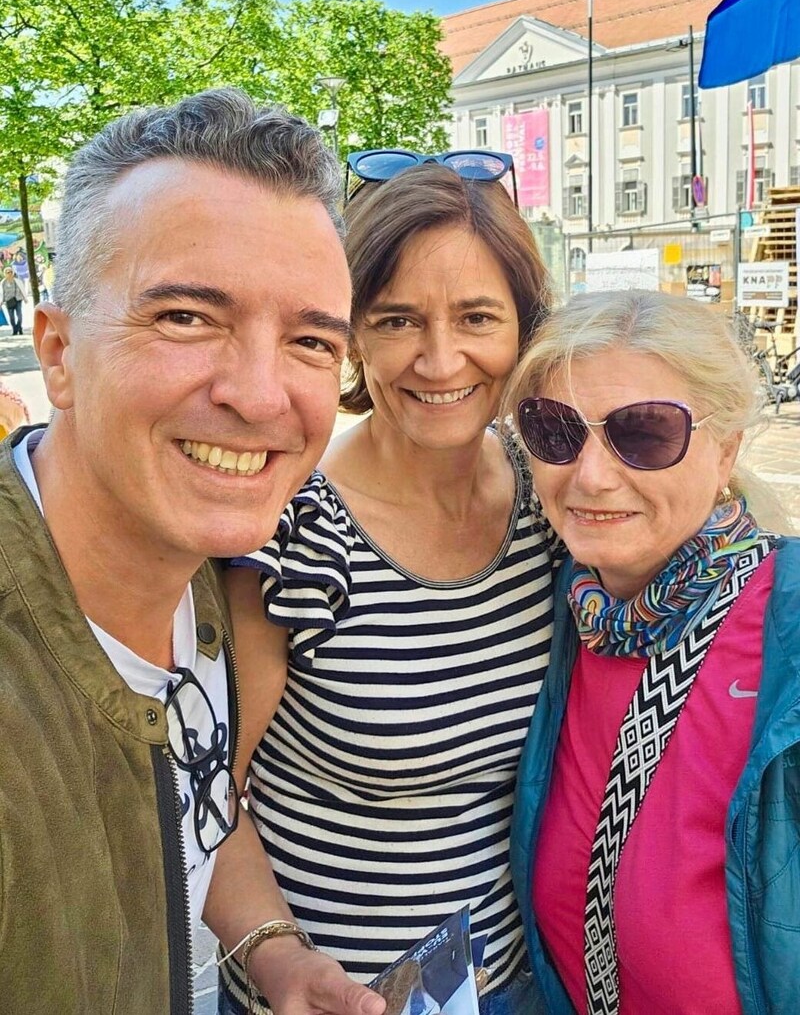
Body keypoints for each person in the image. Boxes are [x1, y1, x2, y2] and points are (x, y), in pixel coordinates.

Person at [0, 88, 357, 1012]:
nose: (260, 394)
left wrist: (276, 950)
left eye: (311, 339)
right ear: (60, 351)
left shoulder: (206, 573)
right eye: (187, 318)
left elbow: (195, 788)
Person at [217, 154, 556, 1015]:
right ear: (352, 336)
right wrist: (275, 957)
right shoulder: (295, 529)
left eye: (478, 316)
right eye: (398, 319)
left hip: (514, 981)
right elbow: (211, 785)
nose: (440, 361)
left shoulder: (555, 499)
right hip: (327, 996)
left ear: (525, 327)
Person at [505, 290, 800, 1015]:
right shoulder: (566, 617)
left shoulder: (782, 631)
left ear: (726, 447)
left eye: (644, 433)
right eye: (554, 431)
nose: (593, 476)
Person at [2, 264, 27, 334]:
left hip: (18, 300)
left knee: (19, 316)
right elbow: (1, 293)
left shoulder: (17, 281)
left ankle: (19, 327)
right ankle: (15, 328)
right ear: (5, 274)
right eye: (7, 272)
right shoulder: (3, 283)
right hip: (8, 301)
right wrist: (1, 301)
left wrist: (25, 298)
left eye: (10, 272)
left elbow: (22, 289)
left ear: (12, 273)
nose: (9, 273)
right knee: (11, 317)